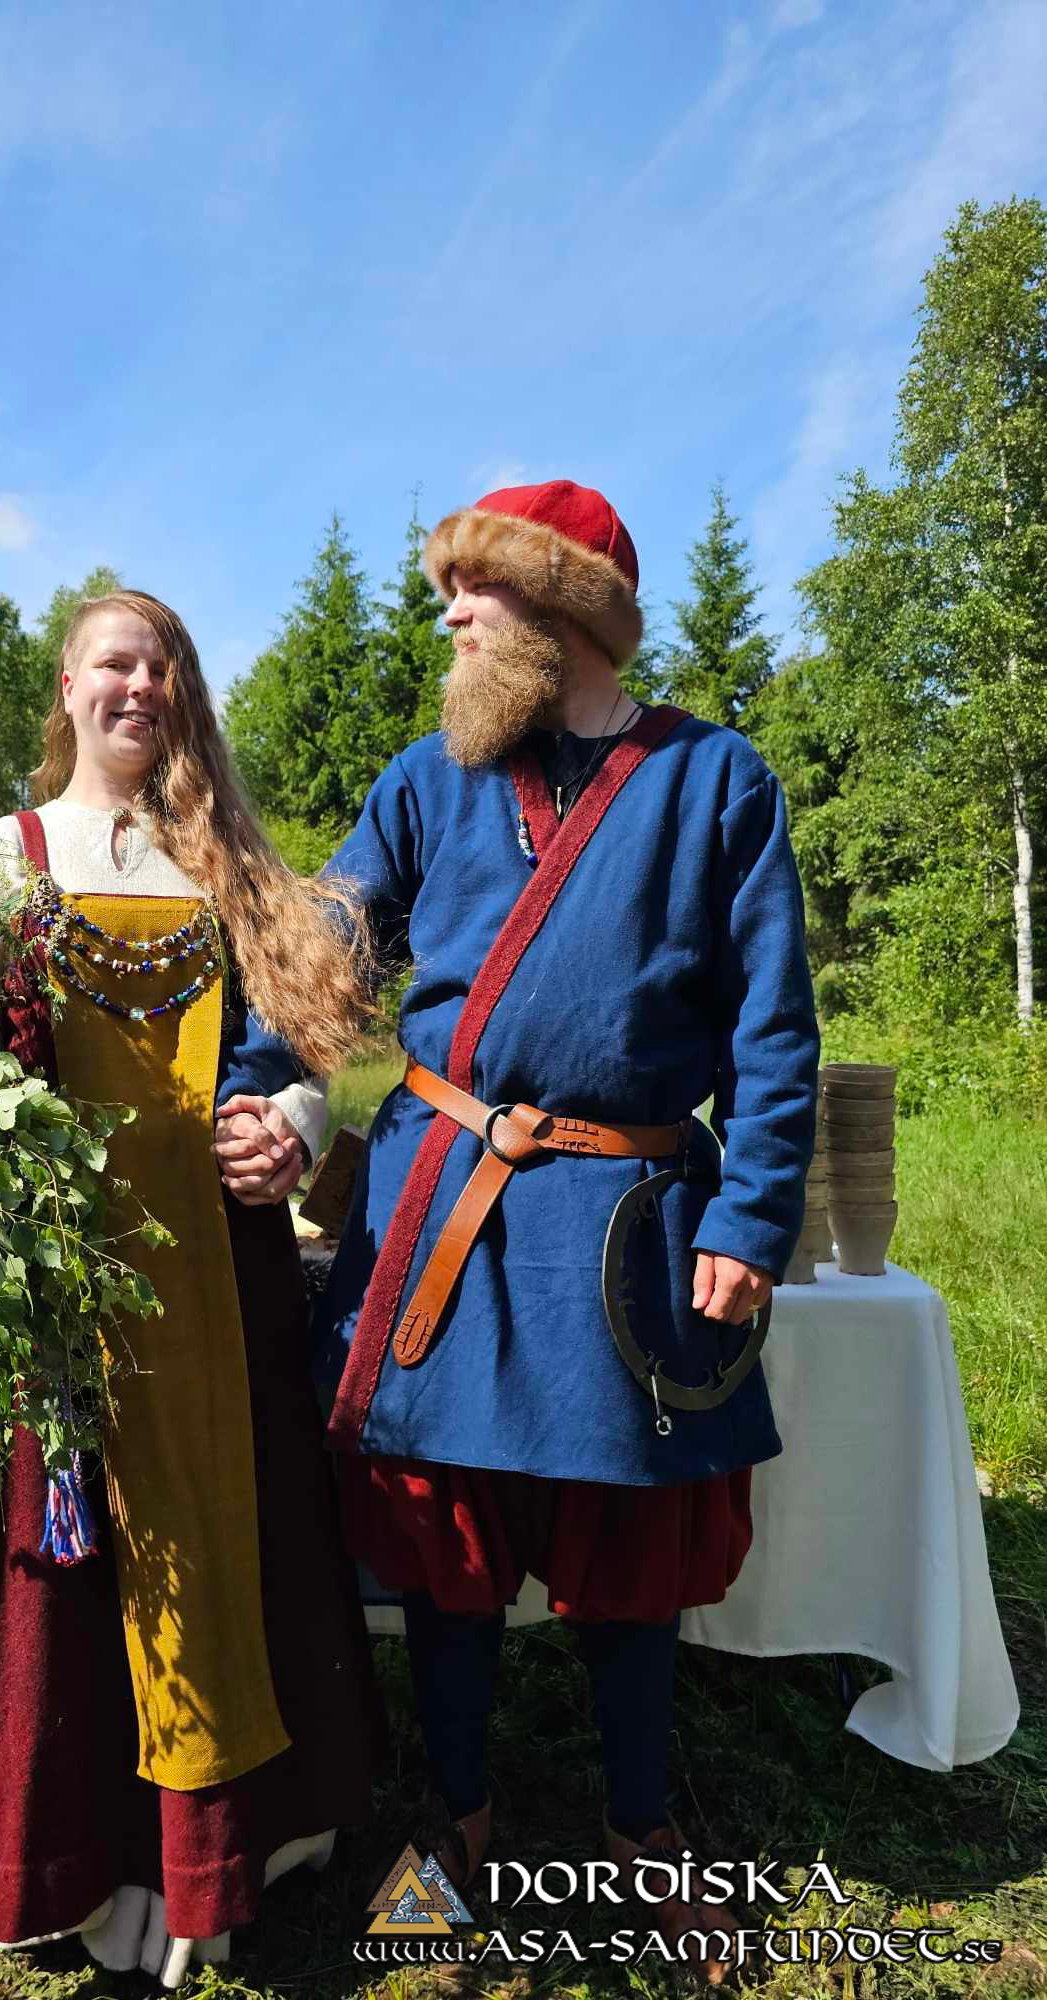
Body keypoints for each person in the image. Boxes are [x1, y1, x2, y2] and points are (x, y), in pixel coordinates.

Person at [298, 480, 819, 1980]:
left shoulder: (717, 780)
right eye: (447, 589)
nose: (448, 615)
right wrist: (272, 1086)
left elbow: (775, 1028)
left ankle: (644, 1838)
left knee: (628, 1546)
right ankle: (455, 1825)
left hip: (632, 1218)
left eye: (477, 588)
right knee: (446, 1535)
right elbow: (324, 953)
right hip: (445, 1204)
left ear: (566, 605)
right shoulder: (424, 779)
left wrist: (754, 1209)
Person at [0, 589, 382, 1985]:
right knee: (61, 1565)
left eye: (163, 667)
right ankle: (76, 1854)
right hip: (46, 1283)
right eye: (114, 663)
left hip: (220, 1277)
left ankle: (226, 1848)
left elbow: (306, 1054)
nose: (139, 687)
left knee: (222, 1540)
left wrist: (297, 1128)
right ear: (69, 687)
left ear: (183, 694)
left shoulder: (233, 862)